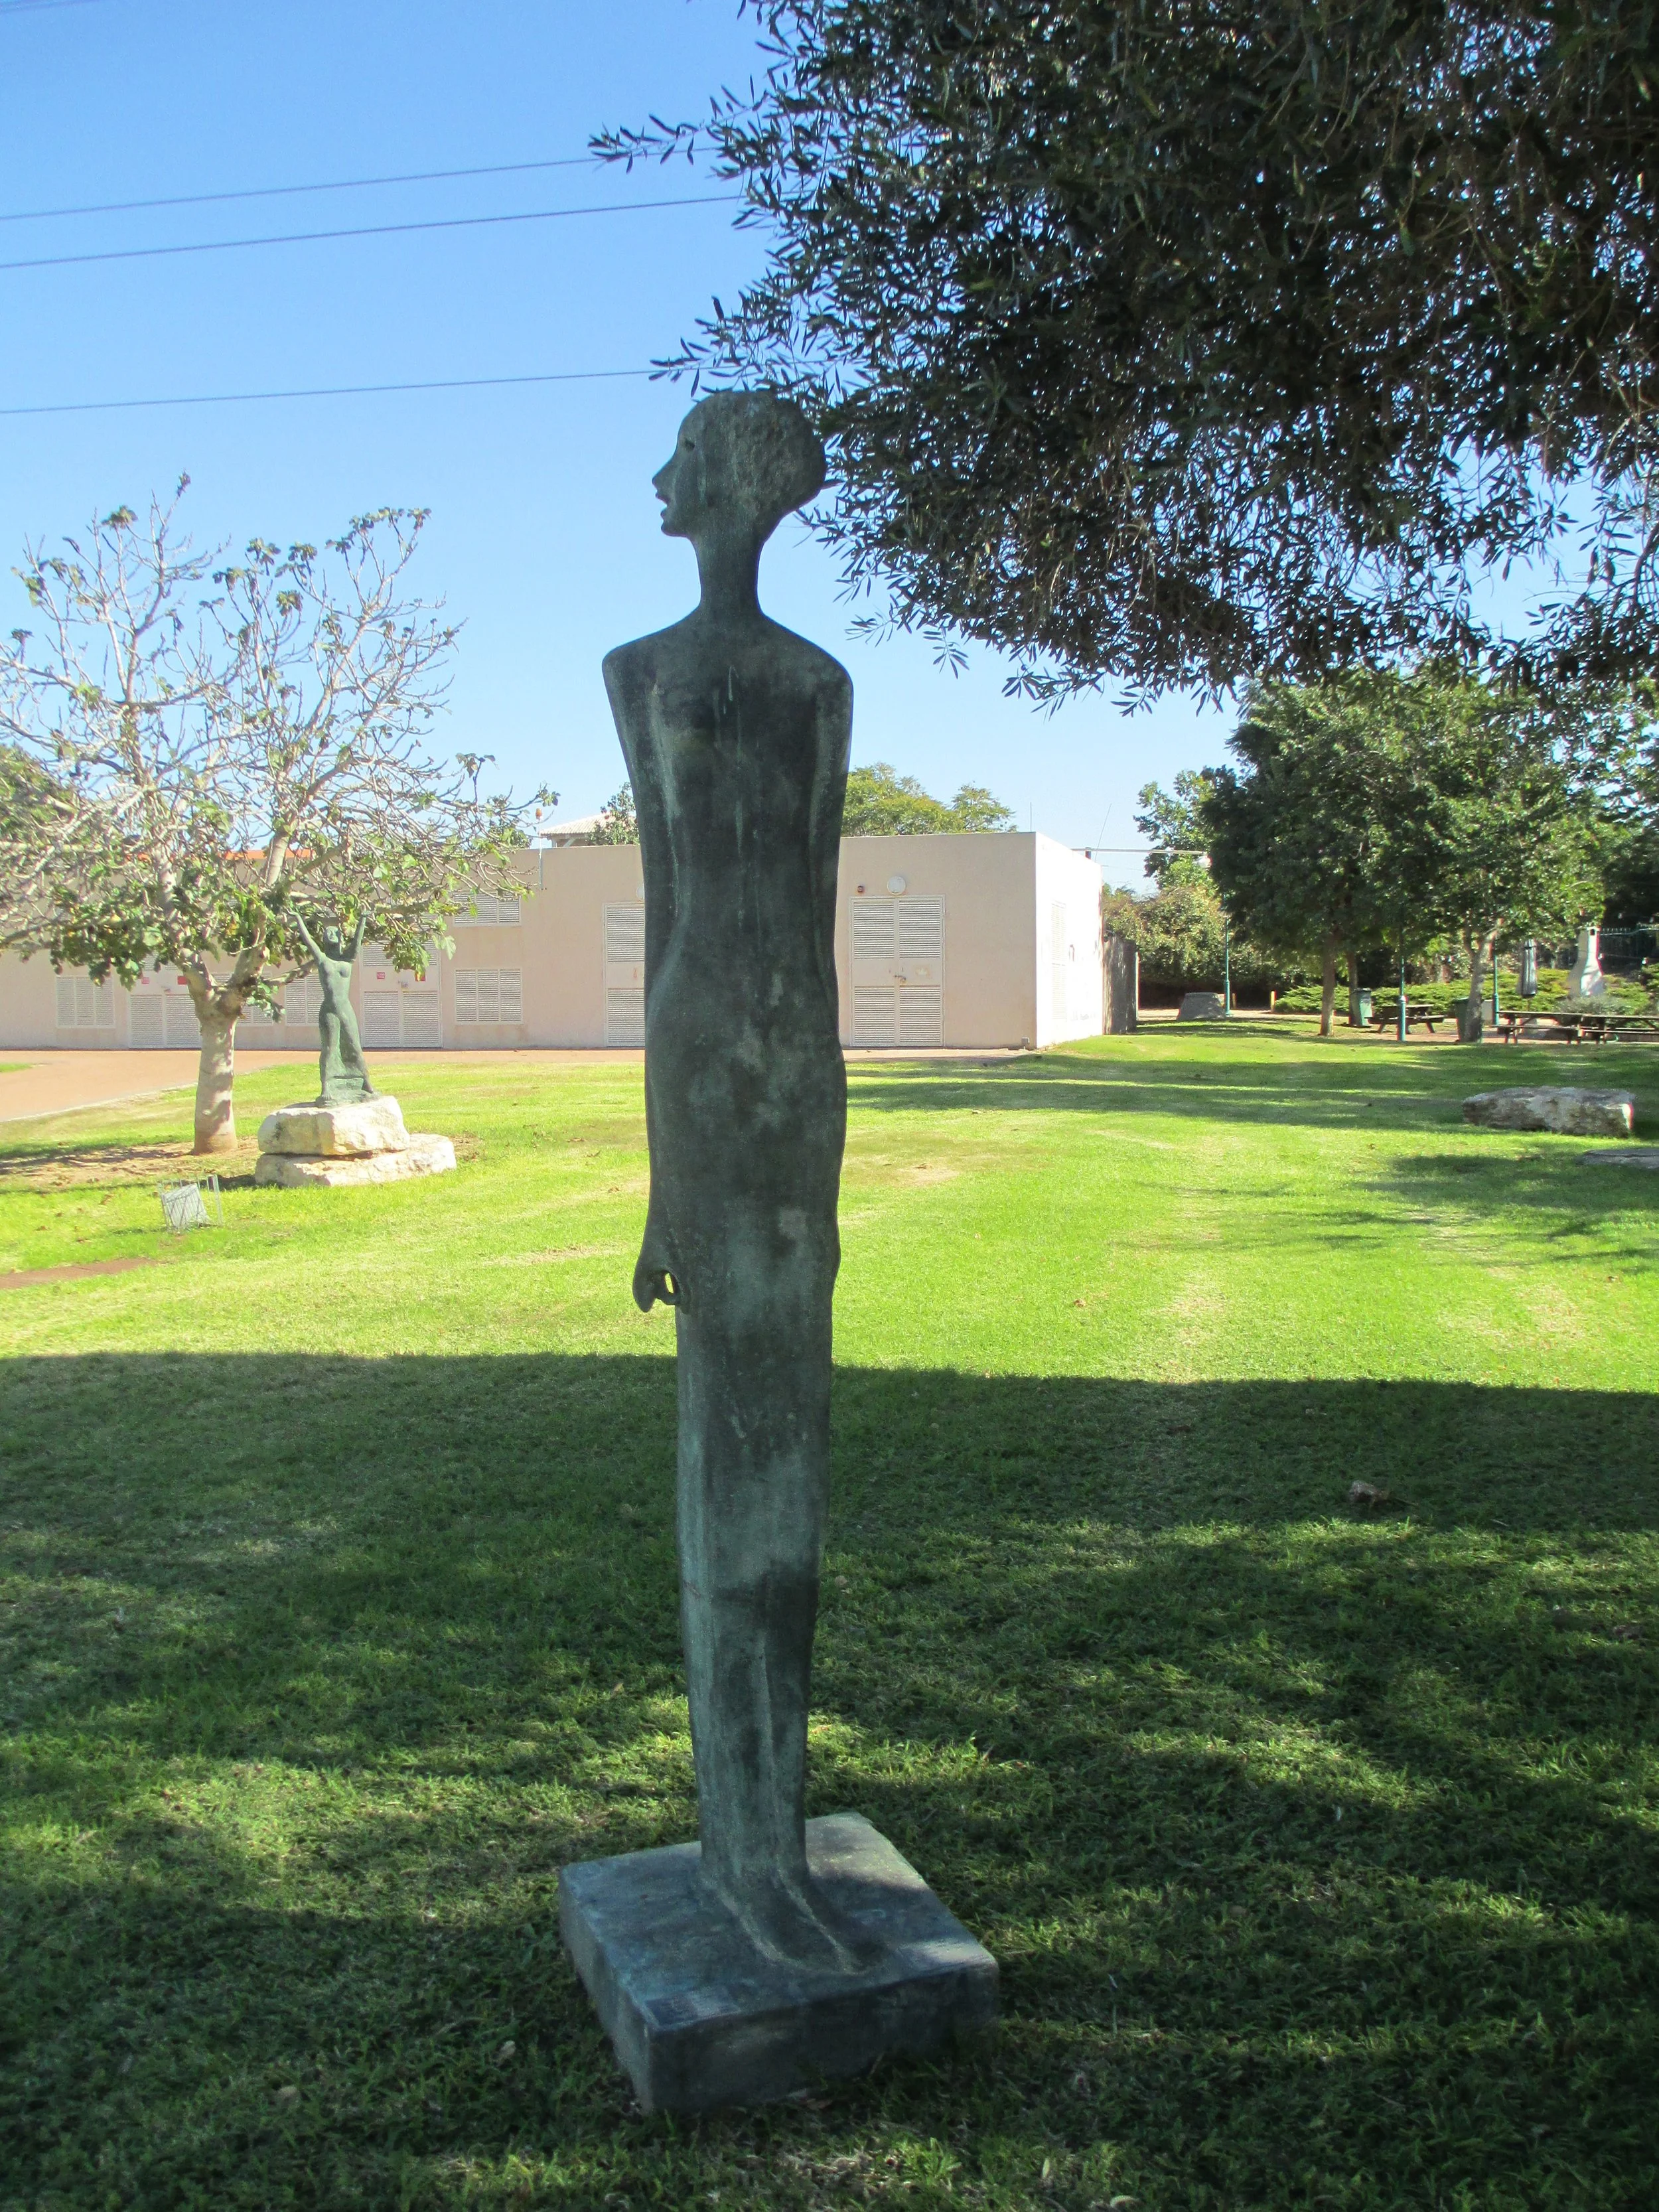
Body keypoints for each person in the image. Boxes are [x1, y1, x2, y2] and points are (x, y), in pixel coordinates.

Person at [603, 392, 863, 1970]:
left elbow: (821, 918)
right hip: (698, 1059)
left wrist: (819, 1135)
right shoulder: (641, 673)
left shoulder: (820, 683)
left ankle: (775, 1844)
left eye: (685, 459)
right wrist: (657, 1179)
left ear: (739, 488)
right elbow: (656, 907)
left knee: (795, 1442)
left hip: (796, 1077)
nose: (662, 479)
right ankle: (745, 1850)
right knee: (724, 1445)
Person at [289, 908, 376, 1105]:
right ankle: (327, 1087)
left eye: (335, 932)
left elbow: (357, 943)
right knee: (330, 1049)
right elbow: (308, 941)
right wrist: (299, 919)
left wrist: (362, 919)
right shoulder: (322, 960)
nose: (331, 934)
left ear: (340, 938)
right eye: (327, 933)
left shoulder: (347, 959)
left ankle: (365, 1083)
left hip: (346, 1009)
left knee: (354, 1046)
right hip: (329, 1010)